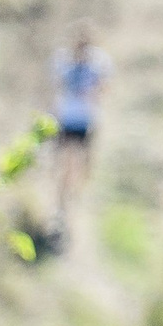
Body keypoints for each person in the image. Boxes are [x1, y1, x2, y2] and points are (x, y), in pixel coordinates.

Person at [49, 29, 110, 241]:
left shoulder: (97, 64)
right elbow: (58, 85)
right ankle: (63, 202)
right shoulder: (64, 62)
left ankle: (72, 198)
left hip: (85, 120)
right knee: (67, 161)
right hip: (67, 119)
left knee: (82, 163)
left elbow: (104, 89)